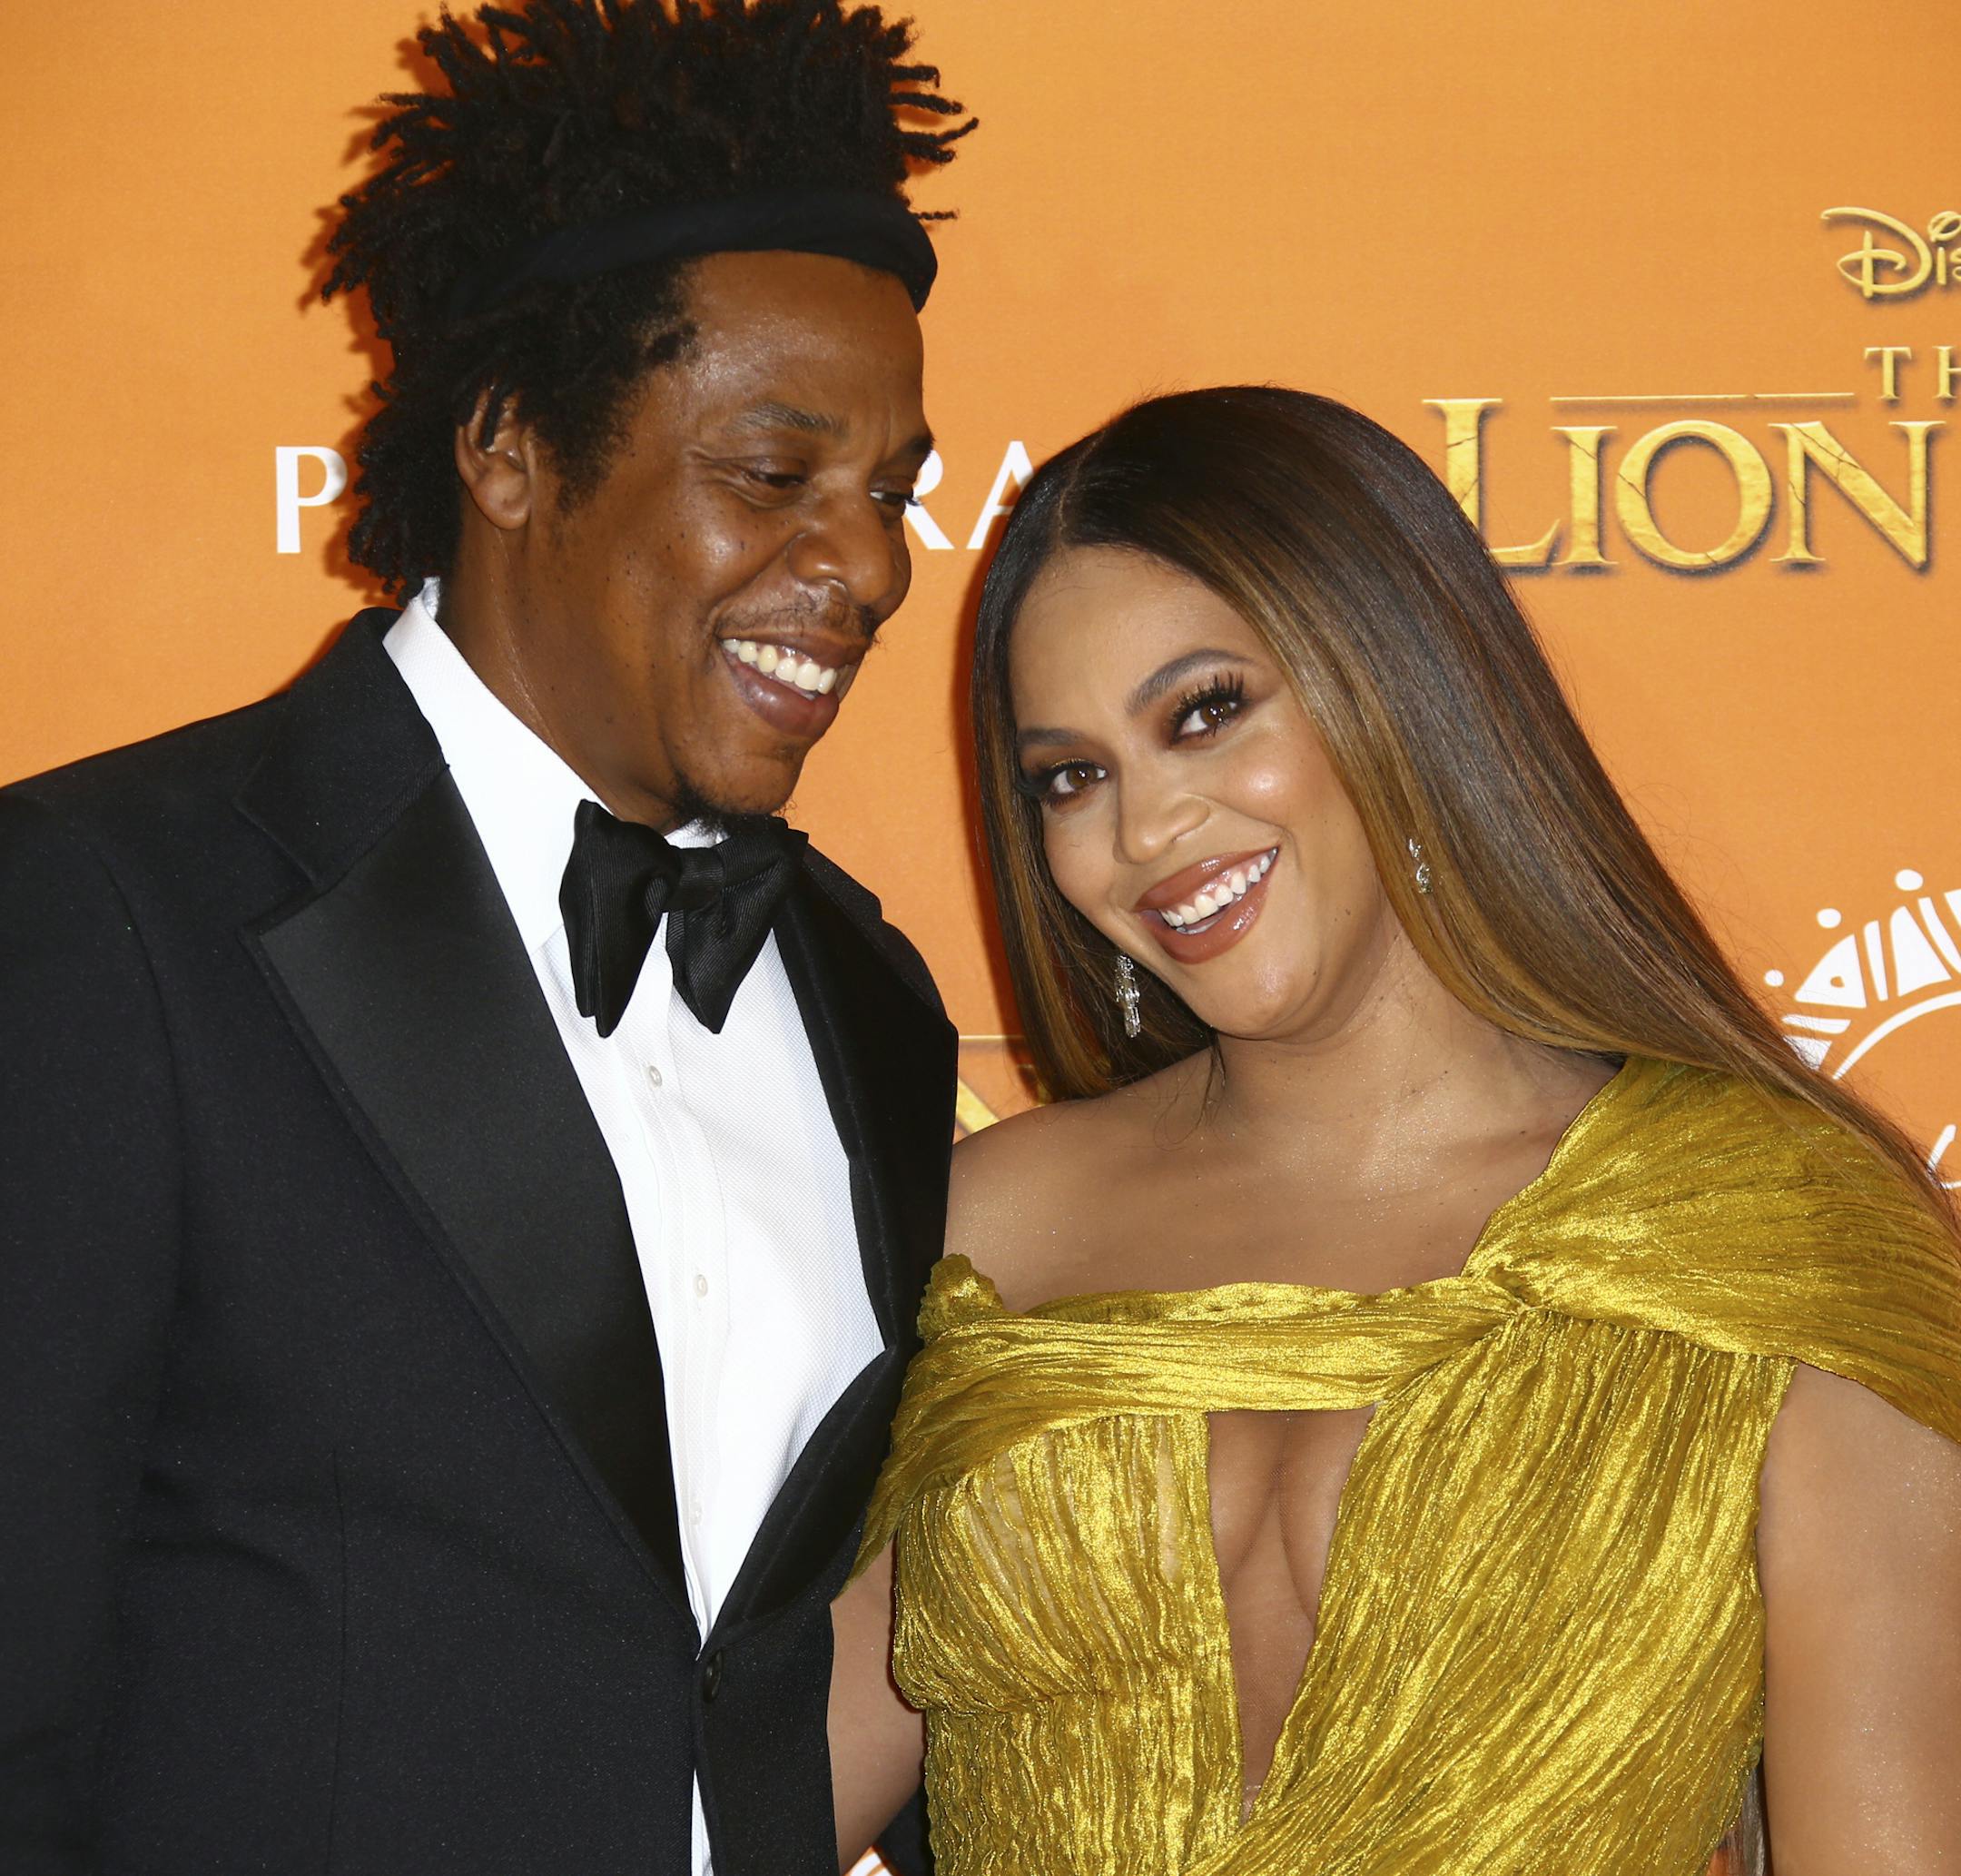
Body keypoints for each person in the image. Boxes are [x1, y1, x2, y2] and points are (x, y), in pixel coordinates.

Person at [0, 4, 971, 1871]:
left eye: (889, 493)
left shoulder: (868, 995)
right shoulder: (110, 916)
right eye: (775, 477)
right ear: (514, 449)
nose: (866, 567)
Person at [829, 387, 1961, 1875]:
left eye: (1206, 712)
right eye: (1074, 776)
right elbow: (731, 1801)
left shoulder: (1776, 1235)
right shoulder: (986, 1226)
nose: (1147, 827)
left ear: (1401, 687)